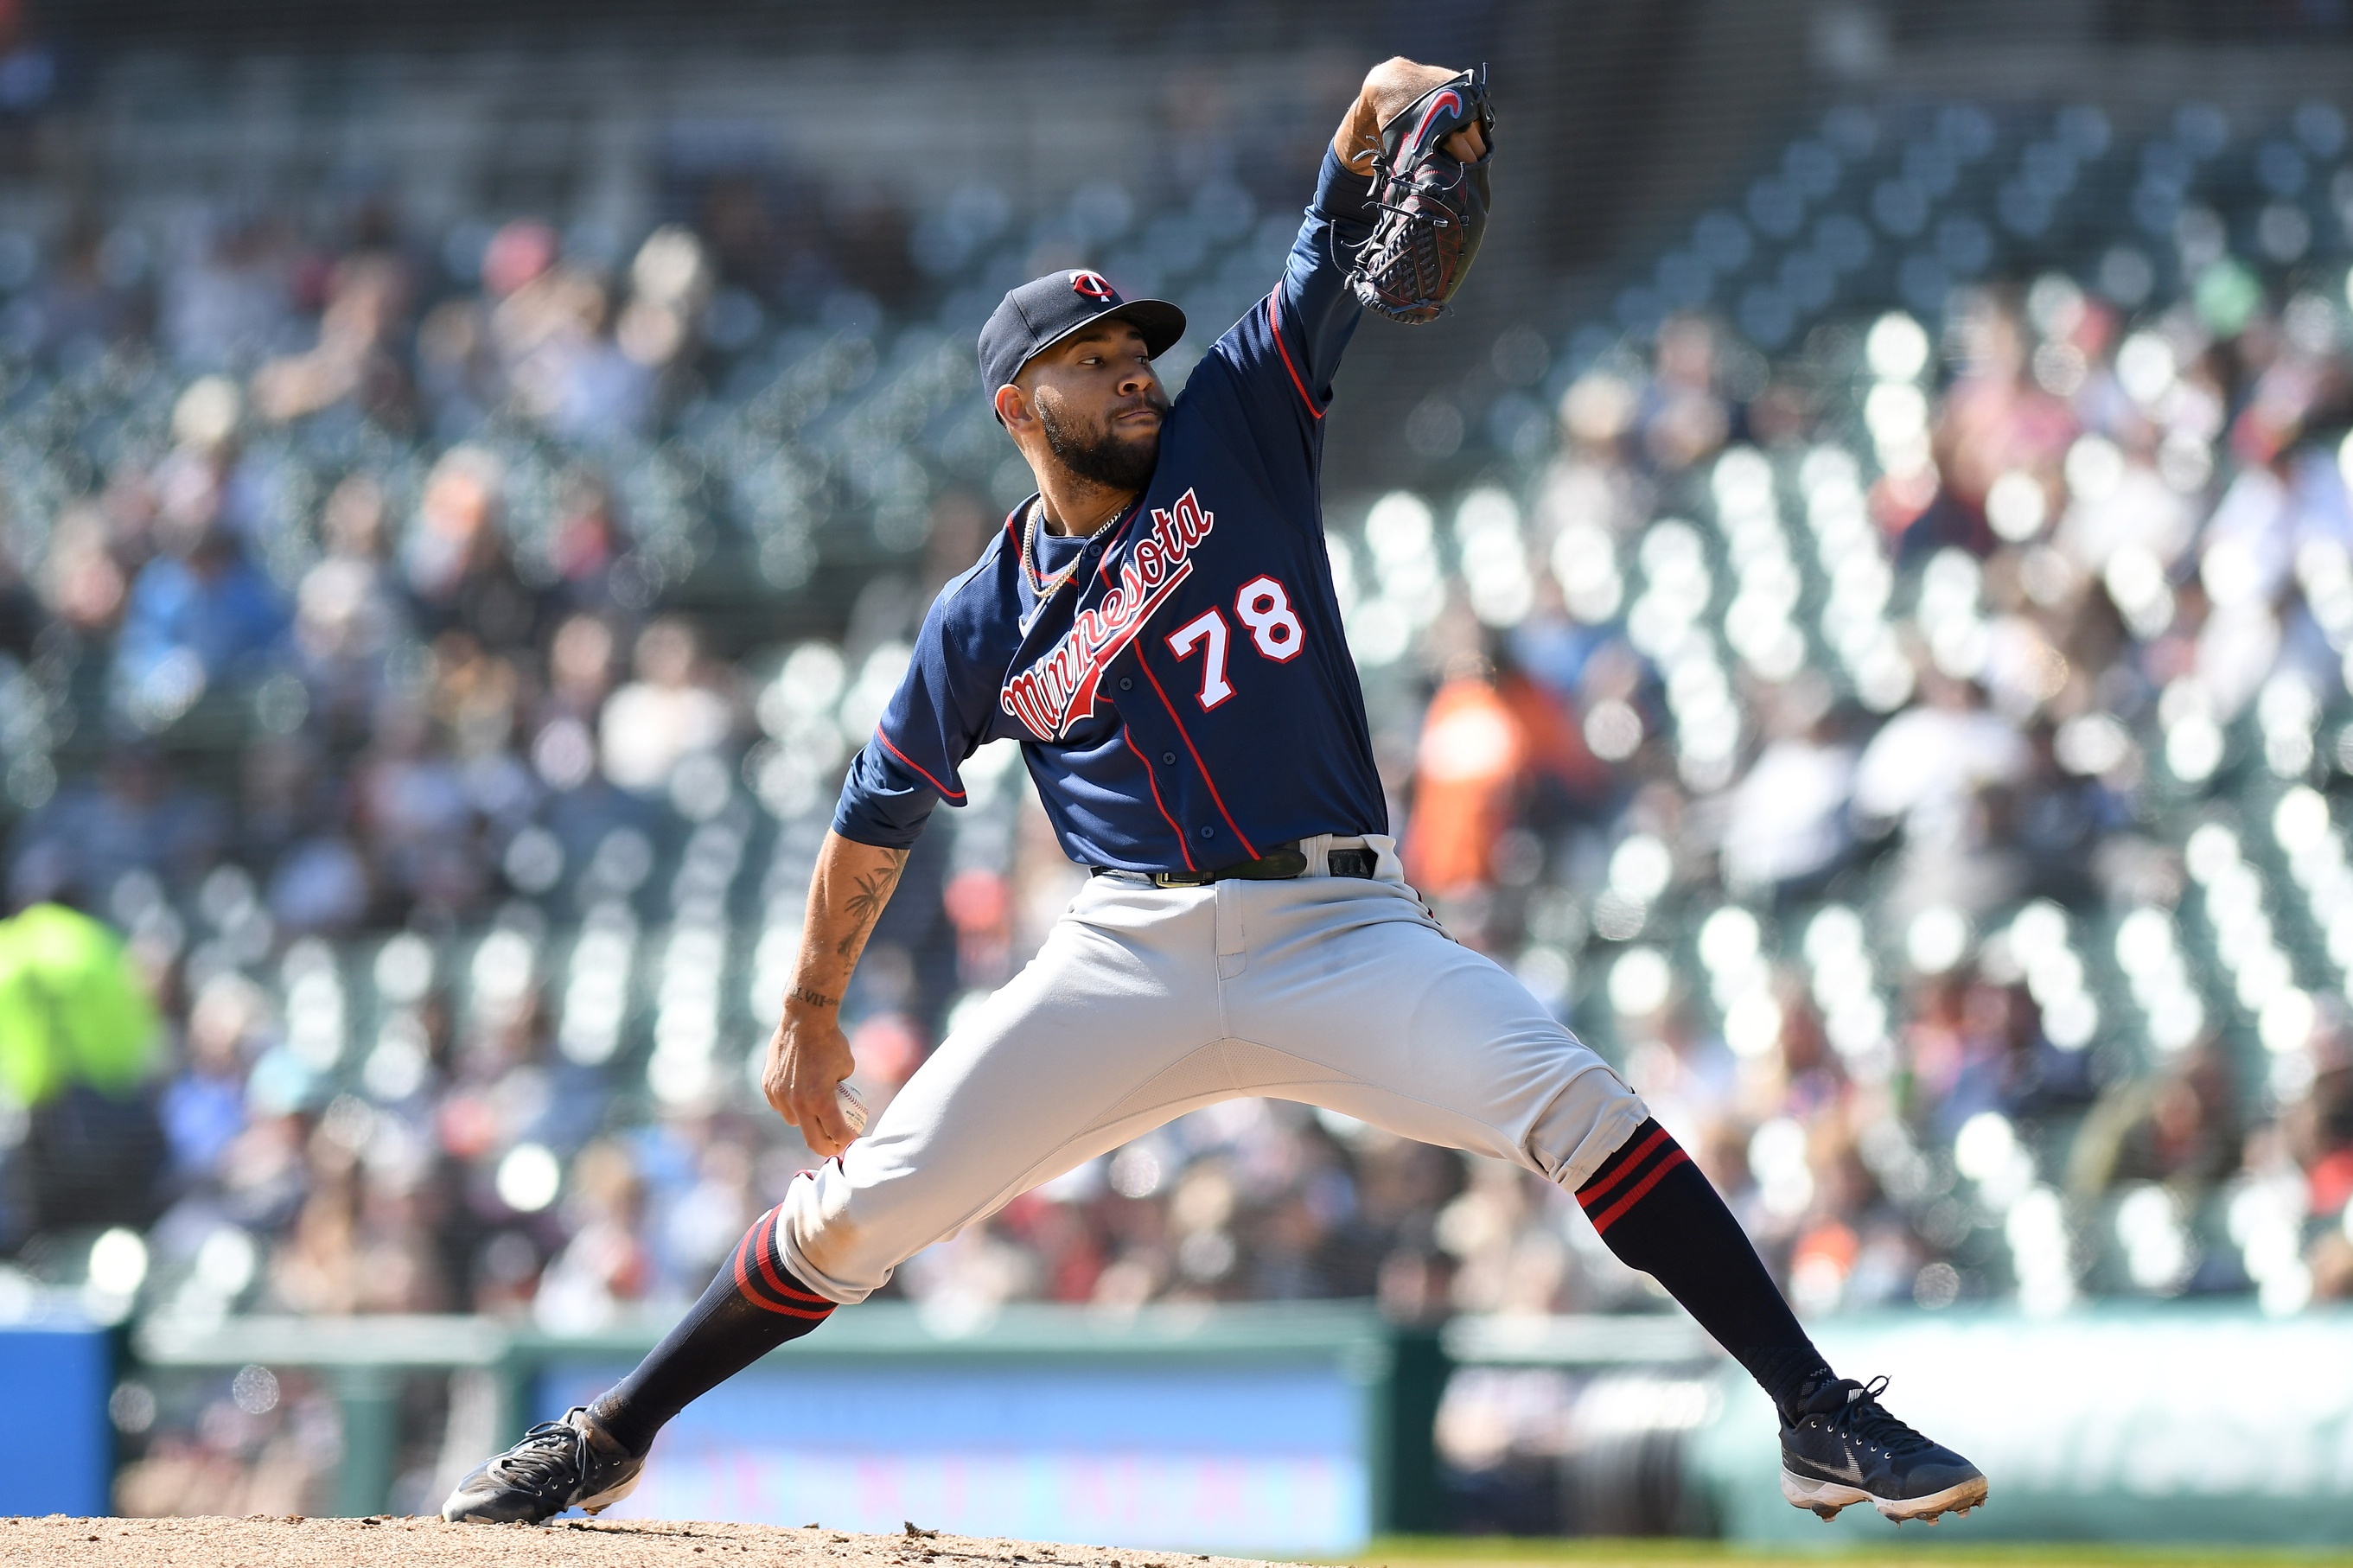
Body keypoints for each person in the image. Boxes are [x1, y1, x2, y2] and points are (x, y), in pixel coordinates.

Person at [443, 57, 1986, 1530]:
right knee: (863, 1206)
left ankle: (1811, 1412)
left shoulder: (1235, 423)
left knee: (1576, 1102)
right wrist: (807, 1007)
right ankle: (611, 1434)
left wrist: (1379, 110)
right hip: (1127, 952)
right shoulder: (982, 616)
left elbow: (1331, 241)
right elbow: (877, 813)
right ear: (1016, 408)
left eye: (1135, 354)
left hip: (1338, 926)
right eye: (1095, 363)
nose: (1134, 376)